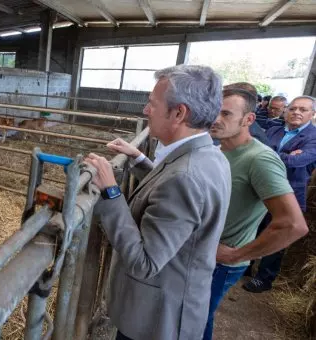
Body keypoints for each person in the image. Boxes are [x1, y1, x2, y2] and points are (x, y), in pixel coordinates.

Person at [85, 64, 231, 340]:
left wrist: (110, 193)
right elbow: (170, 192)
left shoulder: (186, 177)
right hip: (172, 305)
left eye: (152, 104)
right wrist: (139, 159)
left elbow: (145, 262)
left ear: (179, 113)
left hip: (156, 322)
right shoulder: (209, 155)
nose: (145, 110)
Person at [203, 87, 308, 340]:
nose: (216, 119)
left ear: (249, 119)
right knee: (189, 316)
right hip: (203, 255)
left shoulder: (260, 159)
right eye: (213, 111)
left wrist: (238, 254)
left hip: (221, 263)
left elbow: (294, 225)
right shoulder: (219, 150)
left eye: (226, 113)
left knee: (196, 319)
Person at [244, 95, 316, 293]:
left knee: (277, 233)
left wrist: (267, 155)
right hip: (261, 189)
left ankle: (265, 278)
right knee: (254, 227)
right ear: (286, 111)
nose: (296, 113)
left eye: (303, 109)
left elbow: (297, 162)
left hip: (289, 193)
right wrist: (284, 156)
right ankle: (246, 265)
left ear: (312, 114)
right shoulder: (275, 129)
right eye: (293, 109)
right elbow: (253, 150)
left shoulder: (314, 137)